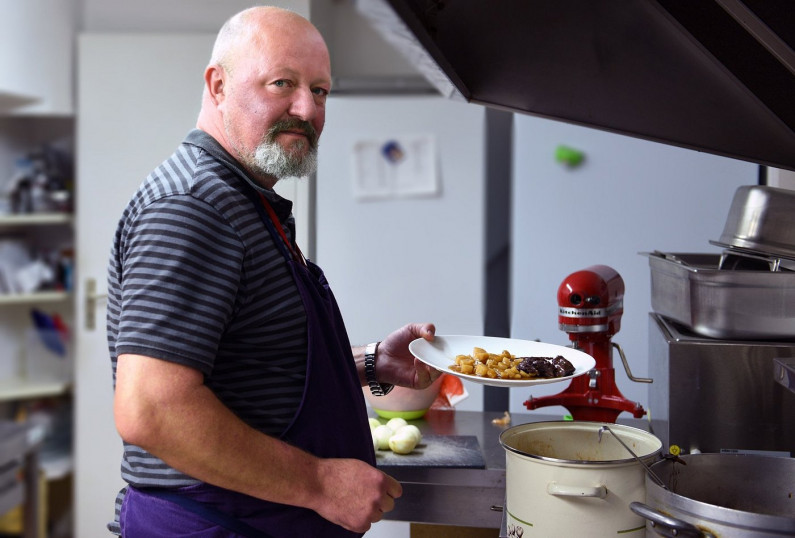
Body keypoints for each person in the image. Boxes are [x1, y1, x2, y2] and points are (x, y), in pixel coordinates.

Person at [106, 6, 440, 537]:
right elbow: (152, 408)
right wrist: (320, 483)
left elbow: (242, 360)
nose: (306, 108)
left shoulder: (244, 200)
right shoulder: (195, 206)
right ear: (217, 85)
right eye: (282, 83)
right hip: (216, 524)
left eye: (322, 90)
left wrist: (368, 363)